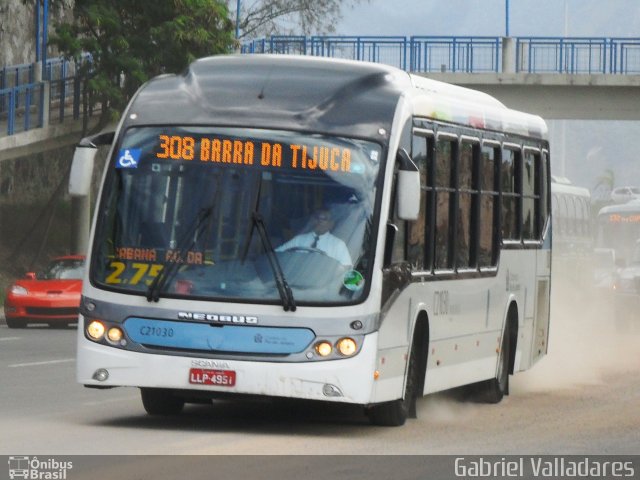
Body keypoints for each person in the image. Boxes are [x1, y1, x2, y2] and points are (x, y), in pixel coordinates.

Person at [276, 209, 352, 267]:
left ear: (330, 224)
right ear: (312, 220)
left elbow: (346, 269)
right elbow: (276, 255)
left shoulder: (338, 245)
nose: (319, 221)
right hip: (295, 280)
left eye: (324, 219)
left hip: (322, 285)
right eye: (317, 218)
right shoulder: (299, 239)